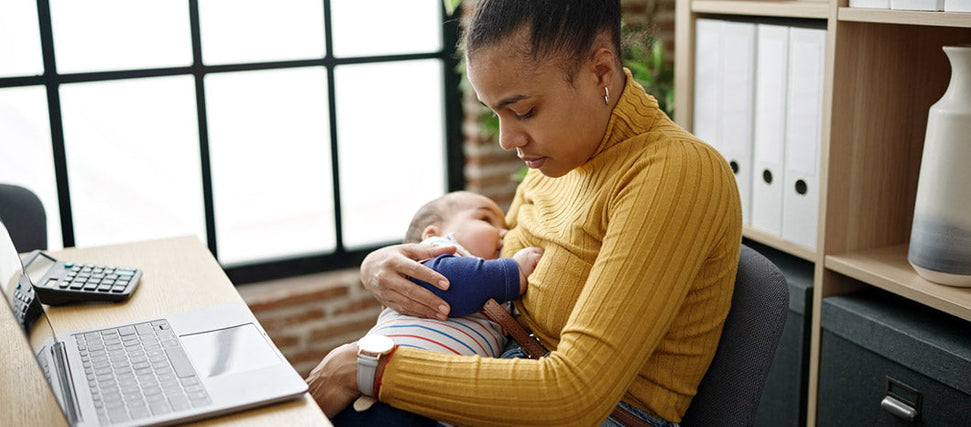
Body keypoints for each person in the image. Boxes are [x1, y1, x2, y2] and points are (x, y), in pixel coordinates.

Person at [306, 1, 742, 425]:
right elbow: (494, 261)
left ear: (601, 72)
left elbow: (575, 395)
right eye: (495, 112)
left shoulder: (675, 172)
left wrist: (368, 368)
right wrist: (381, 266)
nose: (506, 138)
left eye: (523, 111)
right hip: (496, 364)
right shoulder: (564, 157)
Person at [331, 191, 542, 425]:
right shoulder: (435, 256)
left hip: (435, 405)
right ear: (433, 234)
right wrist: (514, 271)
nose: (504, 233)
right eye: (485, 220)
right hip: (378, 398)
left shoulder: (499, 294)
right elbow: (452, 285)